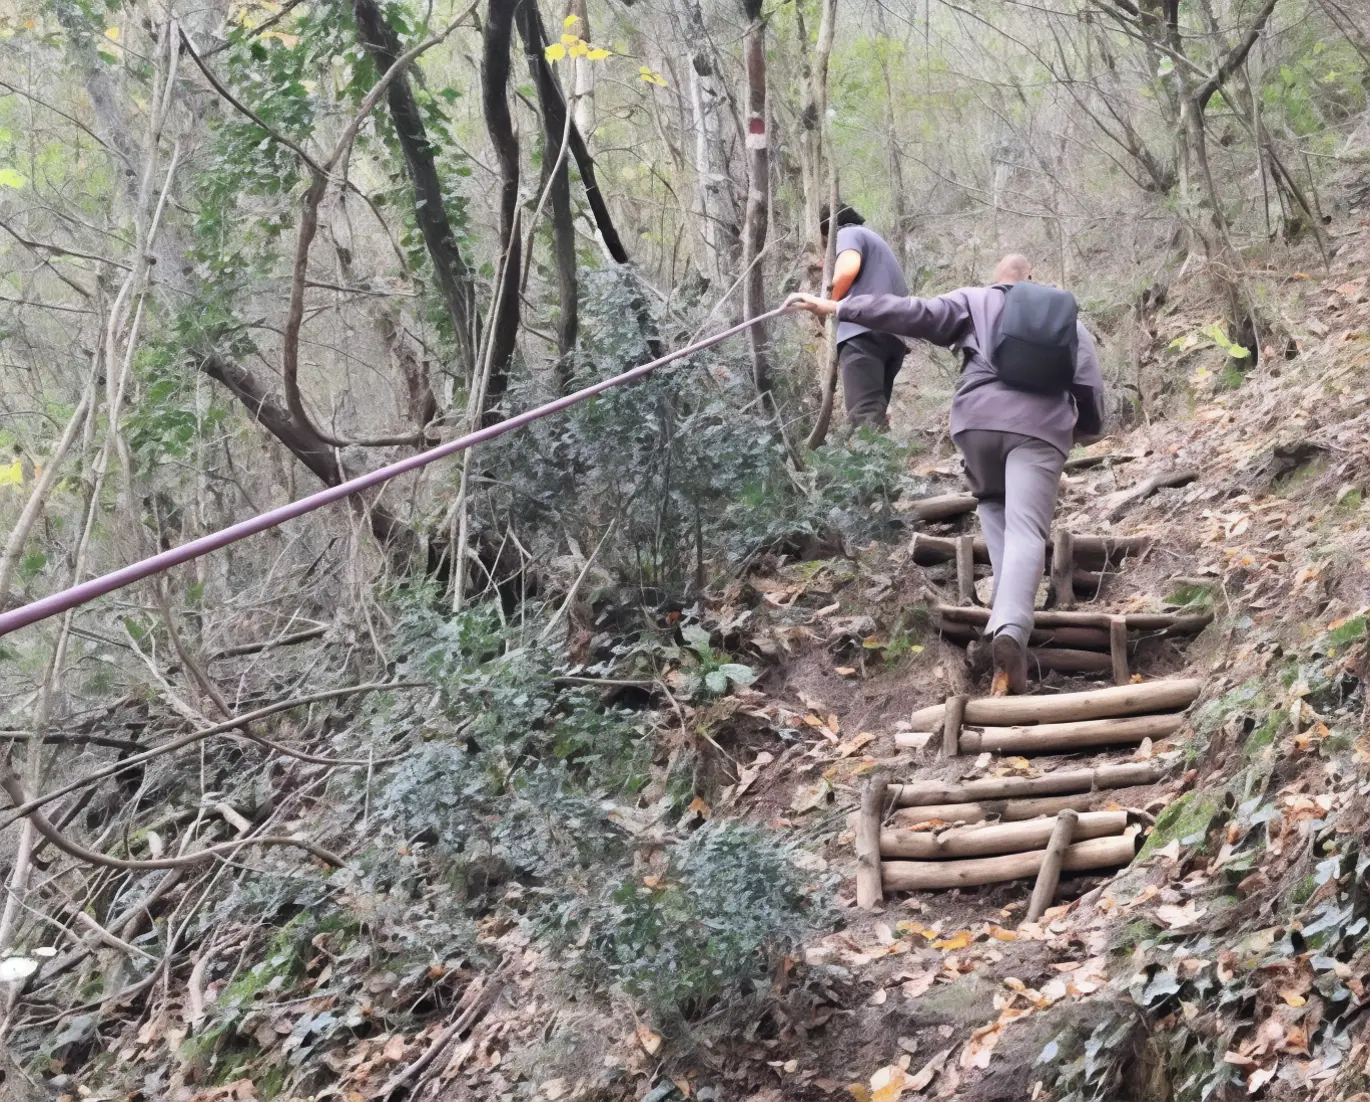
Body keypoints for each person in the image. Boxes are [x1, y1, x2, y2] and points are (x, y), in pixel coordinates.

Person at [784, 254, 1105, 695]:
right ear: (1033, 280)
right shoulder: (1067, 320)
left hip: (977, 421)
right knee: (1028, 528)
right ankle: (1011, 626)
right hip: (1041, 427)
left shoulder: (977, 300)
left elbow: (914, 313)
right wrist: (1081, 430)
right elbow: (1087, 384)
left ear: (998, 281)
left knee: (994, 505)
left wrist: (839, 307)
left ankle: (1001, 618)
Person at [820, 203, 909, 429]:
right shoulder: (876, 243)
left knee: (864, 416)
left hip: (862, 334)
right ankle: (885, 463)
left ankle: (875, 462)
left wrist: (829, 304)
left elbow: (848, 267)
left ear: (827, 233)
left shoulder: (848, 233)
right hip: (893, 338)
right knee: (874, 413)